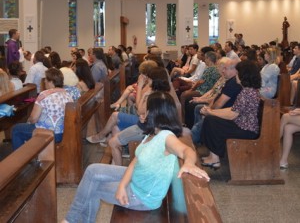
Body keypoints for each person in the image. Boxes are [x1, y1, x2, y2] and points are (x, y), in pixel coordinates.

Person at [62, 91, 209, 223]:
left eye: (147, 107)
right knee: (92, 170)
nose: (143, 110)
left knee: (92, 188)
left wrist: (189, 164)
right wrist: (122, 185)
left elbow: (187, 151)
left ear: (155, 112)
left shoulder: (166, 137)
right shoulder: (153, 133)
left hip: (141, 196)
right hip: (137, 179)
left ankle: (70, 220)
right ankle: (71, 219)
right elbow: (135, 161)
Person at [200, 60, 261, 169]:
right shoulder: (248, 90)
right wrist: (211, 112)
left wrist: (210, 112)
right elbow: (233, 109)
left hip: (246, 129)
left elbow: (232, 114)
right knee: (211, 119)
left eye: (238, 74)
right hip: (242, 124)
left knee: (211, 121)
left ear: (244, 76)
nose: (236, 76)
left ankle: (214, 159)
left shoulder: (247, 92)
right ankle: (213, 156)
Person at [12, 68, 73, 150]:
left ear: (51, 81)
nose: (44, 82)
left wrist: (28, 121)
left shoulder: (44, 94)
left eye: (46, 80)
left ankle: (21, 158)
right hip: (63, 132)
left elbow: (33, 119)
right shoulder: (67, 95)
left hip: (47, 133)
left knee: (16, 129)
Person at [189, 58, 242, 144]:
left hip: (224, 112)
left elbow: (220, 104)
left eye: (226, 68)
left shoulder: (234, 83)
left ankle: (191, 140)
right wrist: (207, 106)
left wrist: (209, 111)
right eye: (223, 68)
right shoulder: (229, 80)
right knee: (199, 108)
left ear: (234, 70)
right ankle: (197, 137)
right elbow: (216, 95)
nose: (223, 71)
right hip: (222, 109)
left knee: (207, 117)